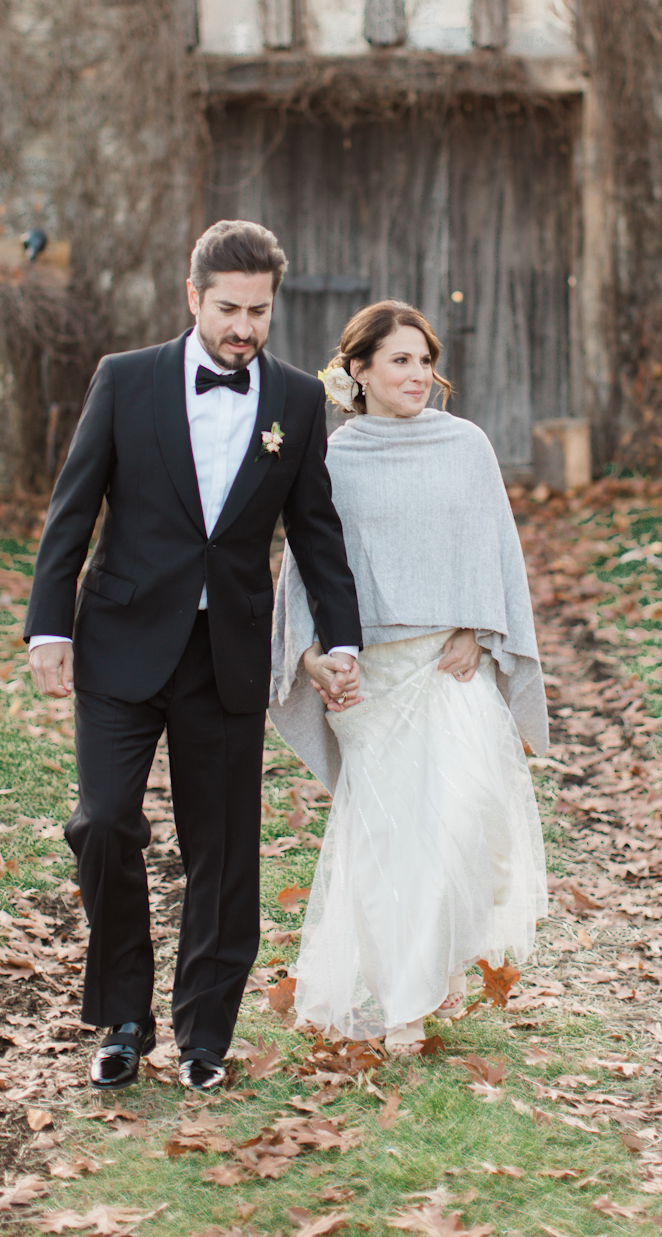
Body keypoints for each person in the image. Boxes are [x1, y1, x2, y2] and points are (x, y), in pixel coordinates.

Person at [25, 220, 363, 1092]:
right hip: (121, 642)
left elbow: (316, 531)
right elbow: (74, 510)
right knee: (103, 823)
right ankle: (123, 1018)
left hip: (227, 652)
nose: (243, 328)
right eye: (228, 309)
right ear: (192, 298)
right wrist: (48, 627)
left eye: (258, 311)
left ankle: (204, 1033)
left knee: (224, 850)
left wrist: (343, 636)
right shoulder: (125, 381)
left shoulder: (294, 399)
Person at [270, 301, 548, 1049]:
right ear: (356, 372)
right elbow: (305, 570)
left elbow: (495, 552)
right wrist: (308, 660)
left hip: (452, 667)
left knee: (464, 826)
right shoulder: (332, 457)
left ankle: (435, 971)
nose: (418, 374)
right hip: (372, 678)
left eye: (425, 360)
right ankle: (404, 1009)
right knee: (391, 839)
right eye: (400, 360)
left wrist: (476, 632)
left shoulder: (468, 447)